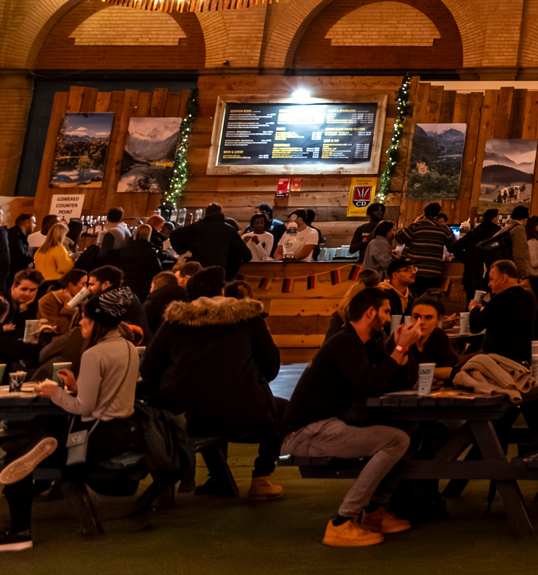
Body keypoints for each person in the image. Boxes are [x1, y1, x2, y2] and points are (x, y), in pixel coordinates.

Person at [0, 284, 141, 550]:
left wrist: (55, 392)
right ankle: (39, 446)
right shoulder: (127, 346)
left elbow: (83, 408)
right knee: (41, 438)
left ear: (96, 322)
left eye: (85, 320)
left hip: (94, 437)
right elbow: (110, 392)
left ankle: (19, 534)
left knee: (20, 469)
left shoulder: (94, 353)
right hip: (121, 431)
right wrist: (77, 385)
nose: (82, 325)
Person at [283, 285, 424, 546]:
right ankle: (341, 522)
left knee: (411, 429)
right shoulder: (344, 342)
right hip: (308, 430)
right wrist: (399, 350)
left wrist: (402, 349)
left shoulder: (368, 344)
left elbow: (392, 385)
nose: (388, 317)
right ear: (370, 313)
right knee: (396, 440)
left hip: (333, 423)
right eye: (385, 311)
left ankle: (373, 513)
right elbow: (369, 387)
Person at [140, 274, 285, 500]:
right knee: (283, 410)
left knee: (206, 399)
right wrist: (252, 381)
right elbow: (271, 365)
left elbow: (149, 368)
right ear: (223, 292)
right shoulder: (248, 319)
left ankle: (217, 477)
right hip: (243, 409)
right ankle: (262, 477)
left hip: (182, 414)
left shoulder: (174, 322)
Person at [474, 258, 538, 365]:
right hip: (524, 358)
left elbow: (475, 326)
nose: (488, 284)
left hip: (499, 360)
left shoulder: (501, 298)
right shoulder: (530, 297)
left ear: (503, 278)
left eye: (491, 279)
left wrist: (474, 308)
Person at [170, 204, 248, 280]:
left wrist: (182, 250)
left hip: (197, 274)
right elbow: (246, 255)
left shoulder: (196, 227)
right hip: (220, 274)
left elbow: (174, 235)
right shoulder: (228, 230)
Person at [399, 203, 454, 294]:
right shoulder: (444, 229)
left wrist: (413, 223)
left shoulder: (416, 227)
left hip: (414, 272)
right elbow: (453, 246)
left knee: (412, 298)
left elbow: (399, 238)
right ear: (438, 213)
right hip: (433, 272)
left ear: (424, 213)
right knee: (429, 300)